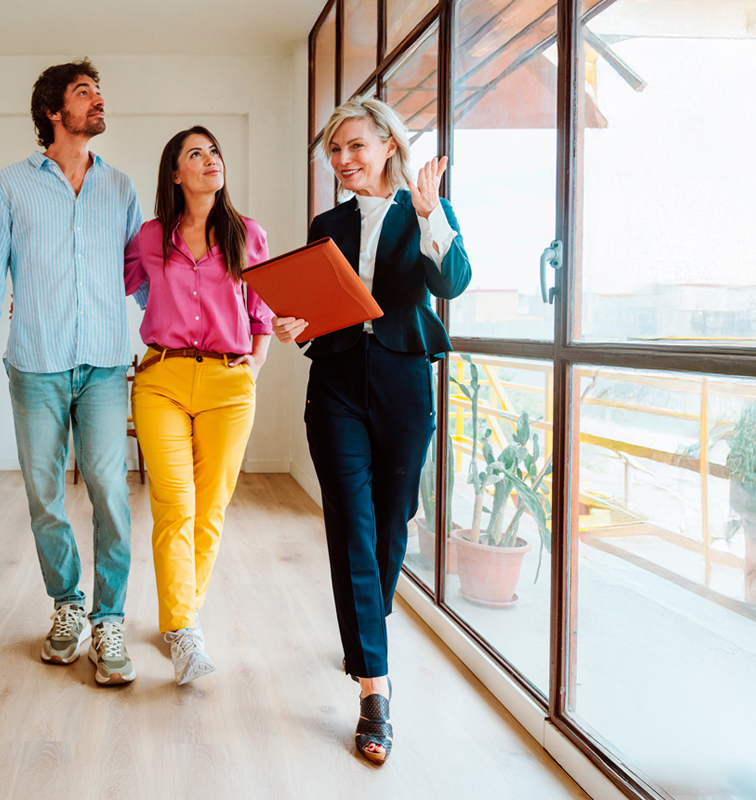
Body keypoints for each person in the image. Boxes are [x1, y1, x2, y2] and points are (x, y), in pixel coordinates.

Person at [273, 98, 471, 763]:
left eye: (355, 146)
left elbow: (455, 282)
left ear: (388, 144)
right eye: (335, 151)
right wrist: (293, 321)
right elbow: (316, 302)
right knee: (350, 527)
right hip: (334, 384)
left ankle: (367, 625)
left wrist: (429, 214)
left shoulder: (423, 210)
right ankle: (374, 690)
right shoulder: (327, 220)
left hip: (403, 381)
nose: (344, 161)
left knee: (393, 522)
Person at [0, 58, 142, 685]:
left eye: (98, 92)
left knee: (109, 491)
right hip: (34, 364)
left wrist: (182, 333)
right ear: (52, 111)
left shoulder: (120, 187)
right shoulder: (11, 185)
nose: (97, 102)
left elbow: (139, 276)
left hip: (102, 365)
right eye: (84, 93)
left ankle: (110, 616)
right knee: (44, 495)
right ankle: (68, 607)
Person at [124, 126, 272, 685]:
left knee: (210, 508)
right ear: (175, 174)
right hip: (161, 378)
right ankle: (185, 631)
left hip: (228, 385)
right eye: (196, 154)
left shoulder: (246, 234)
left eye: (214, 152)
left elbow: (261, 310)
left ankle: (178, 618)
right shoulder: (149, 236)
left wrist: (254, 367)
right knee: (173, 502)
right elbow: (111, 282)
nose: (210, 160)